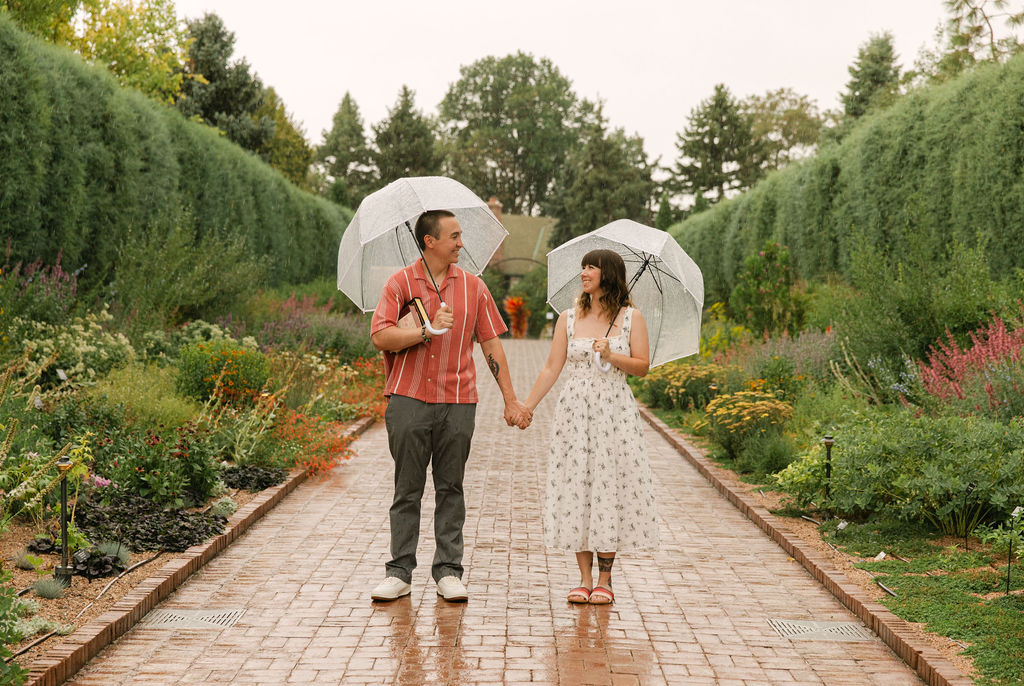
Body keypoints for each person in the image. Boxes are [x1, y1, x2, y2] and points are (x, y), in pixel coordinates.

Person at [369, 209, 532, 603]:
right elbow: (380, 337)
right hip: (408, 400)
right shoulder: (399, 284)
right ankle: (399, 571)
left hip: (459, 402)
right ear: (430, 241)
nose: (461, 243)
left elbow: (492, 344)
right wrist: (425, 330)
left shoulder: (474, 288)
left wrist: (511, 400)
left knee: (451, 488)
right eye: (454, 236)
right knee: (407, 489)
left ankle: (448, 571)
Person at [523, 249, 659, 605]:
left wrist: (613, 356)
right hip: (574, 414)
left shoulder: (632, 318)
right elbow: (551, 368)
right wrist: (527, 406)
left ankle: (605, 579)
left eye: (591, 267)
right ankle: (583, 578)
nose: (584, 273)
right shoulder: (568, 318)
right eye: (583, 266)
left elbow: (643, 366)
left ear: (608, 275)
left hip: (614, 413)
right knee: (577, 489)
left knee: (608, 487)